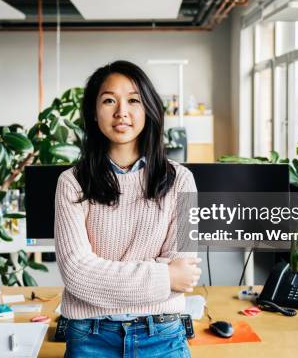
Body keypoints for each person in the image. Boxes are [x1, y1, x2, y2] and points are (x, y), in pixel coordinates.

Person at [54, 60, 201, 357]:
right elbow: (77, 274)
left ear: (148, 109)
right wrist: (164, 276)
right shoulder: (72, 182)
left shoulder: (181, 180)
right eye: (109, 100)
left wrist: (105, 278)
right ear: (94, 113)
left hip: (162, 334)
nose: (122, 112)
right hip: (90, 336)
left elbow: (184, 271)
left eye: (133, 100)